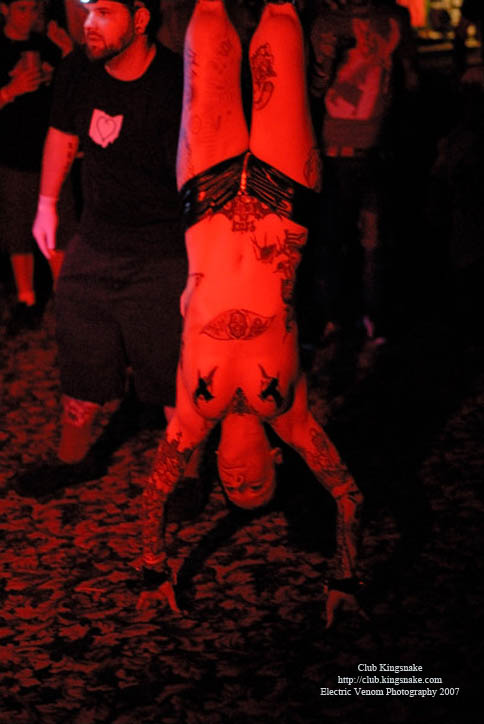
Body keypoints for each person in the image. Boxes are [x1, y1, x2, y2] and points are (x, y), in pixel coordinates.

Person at [136, 0, 364, 628]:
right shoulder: (289, 415)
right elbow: (348, 496)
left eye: (233, 487)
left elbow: (153, 495)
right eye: (255, 486)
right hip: (283, 200)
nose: (240, 481)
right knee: (281, 21)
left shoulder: (193, 416)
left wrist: (155, 570)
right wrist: (345, 578)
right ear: (274, 463)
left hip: (207, 198)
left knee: (209, 18)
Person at [18, 0, 185, 492]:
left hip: (163, 248)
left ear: (141, 19)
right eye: (87, 11)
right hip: (96, 238)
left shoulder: (176, 81)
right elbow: (62, 133)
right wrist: (46, 204)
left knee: (169, 365)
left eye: (105, 13)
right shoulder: (79, 69)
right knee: (80, 348)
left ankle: (185, 474)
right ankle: (73, 460)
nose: (89, 24)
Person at [309, 0, 418, 343]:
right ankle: (340, 323)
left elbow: (410, 82)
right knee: (335, 241)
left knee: (371, 242)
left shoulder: (392, 19)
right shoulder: (326, 23)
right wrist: (325, 63)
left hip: (373, 154)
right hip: (335, 154)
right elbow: (313, 90)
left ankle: (371, 323)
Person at [0, 0, 71, 336]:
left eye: (33, 10)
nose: (28, 17)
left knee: (59, 229)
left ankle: (64, 299)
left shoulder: (45, 45)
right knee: (18, 230)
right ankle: (26, 299)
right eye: (22, 9)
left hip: (48, 153)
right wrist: (10, 90)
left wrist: (65, 53)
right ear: (4, 9)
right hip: (13, 155)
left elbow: (73, 89)